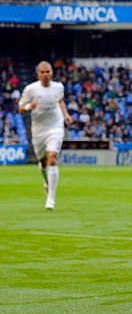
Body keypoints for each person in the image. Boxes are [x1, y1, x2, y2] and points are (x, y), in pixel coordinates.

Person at [17, 61, 72, 210]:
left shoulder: (58, 87)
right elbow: (20, 108)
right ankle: (47, 182)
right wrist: (30, 106)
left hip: (55, 126)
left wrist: (66, 114)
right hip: (38, 130)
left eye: (48, 71)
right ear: (38, 74)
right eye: (42, 72)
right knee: (42, 162)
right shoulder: (30, 89)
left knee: (52, 158)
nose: (45, 74)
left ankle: (51, 200)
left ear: (52, 72)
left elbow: (60, 100)